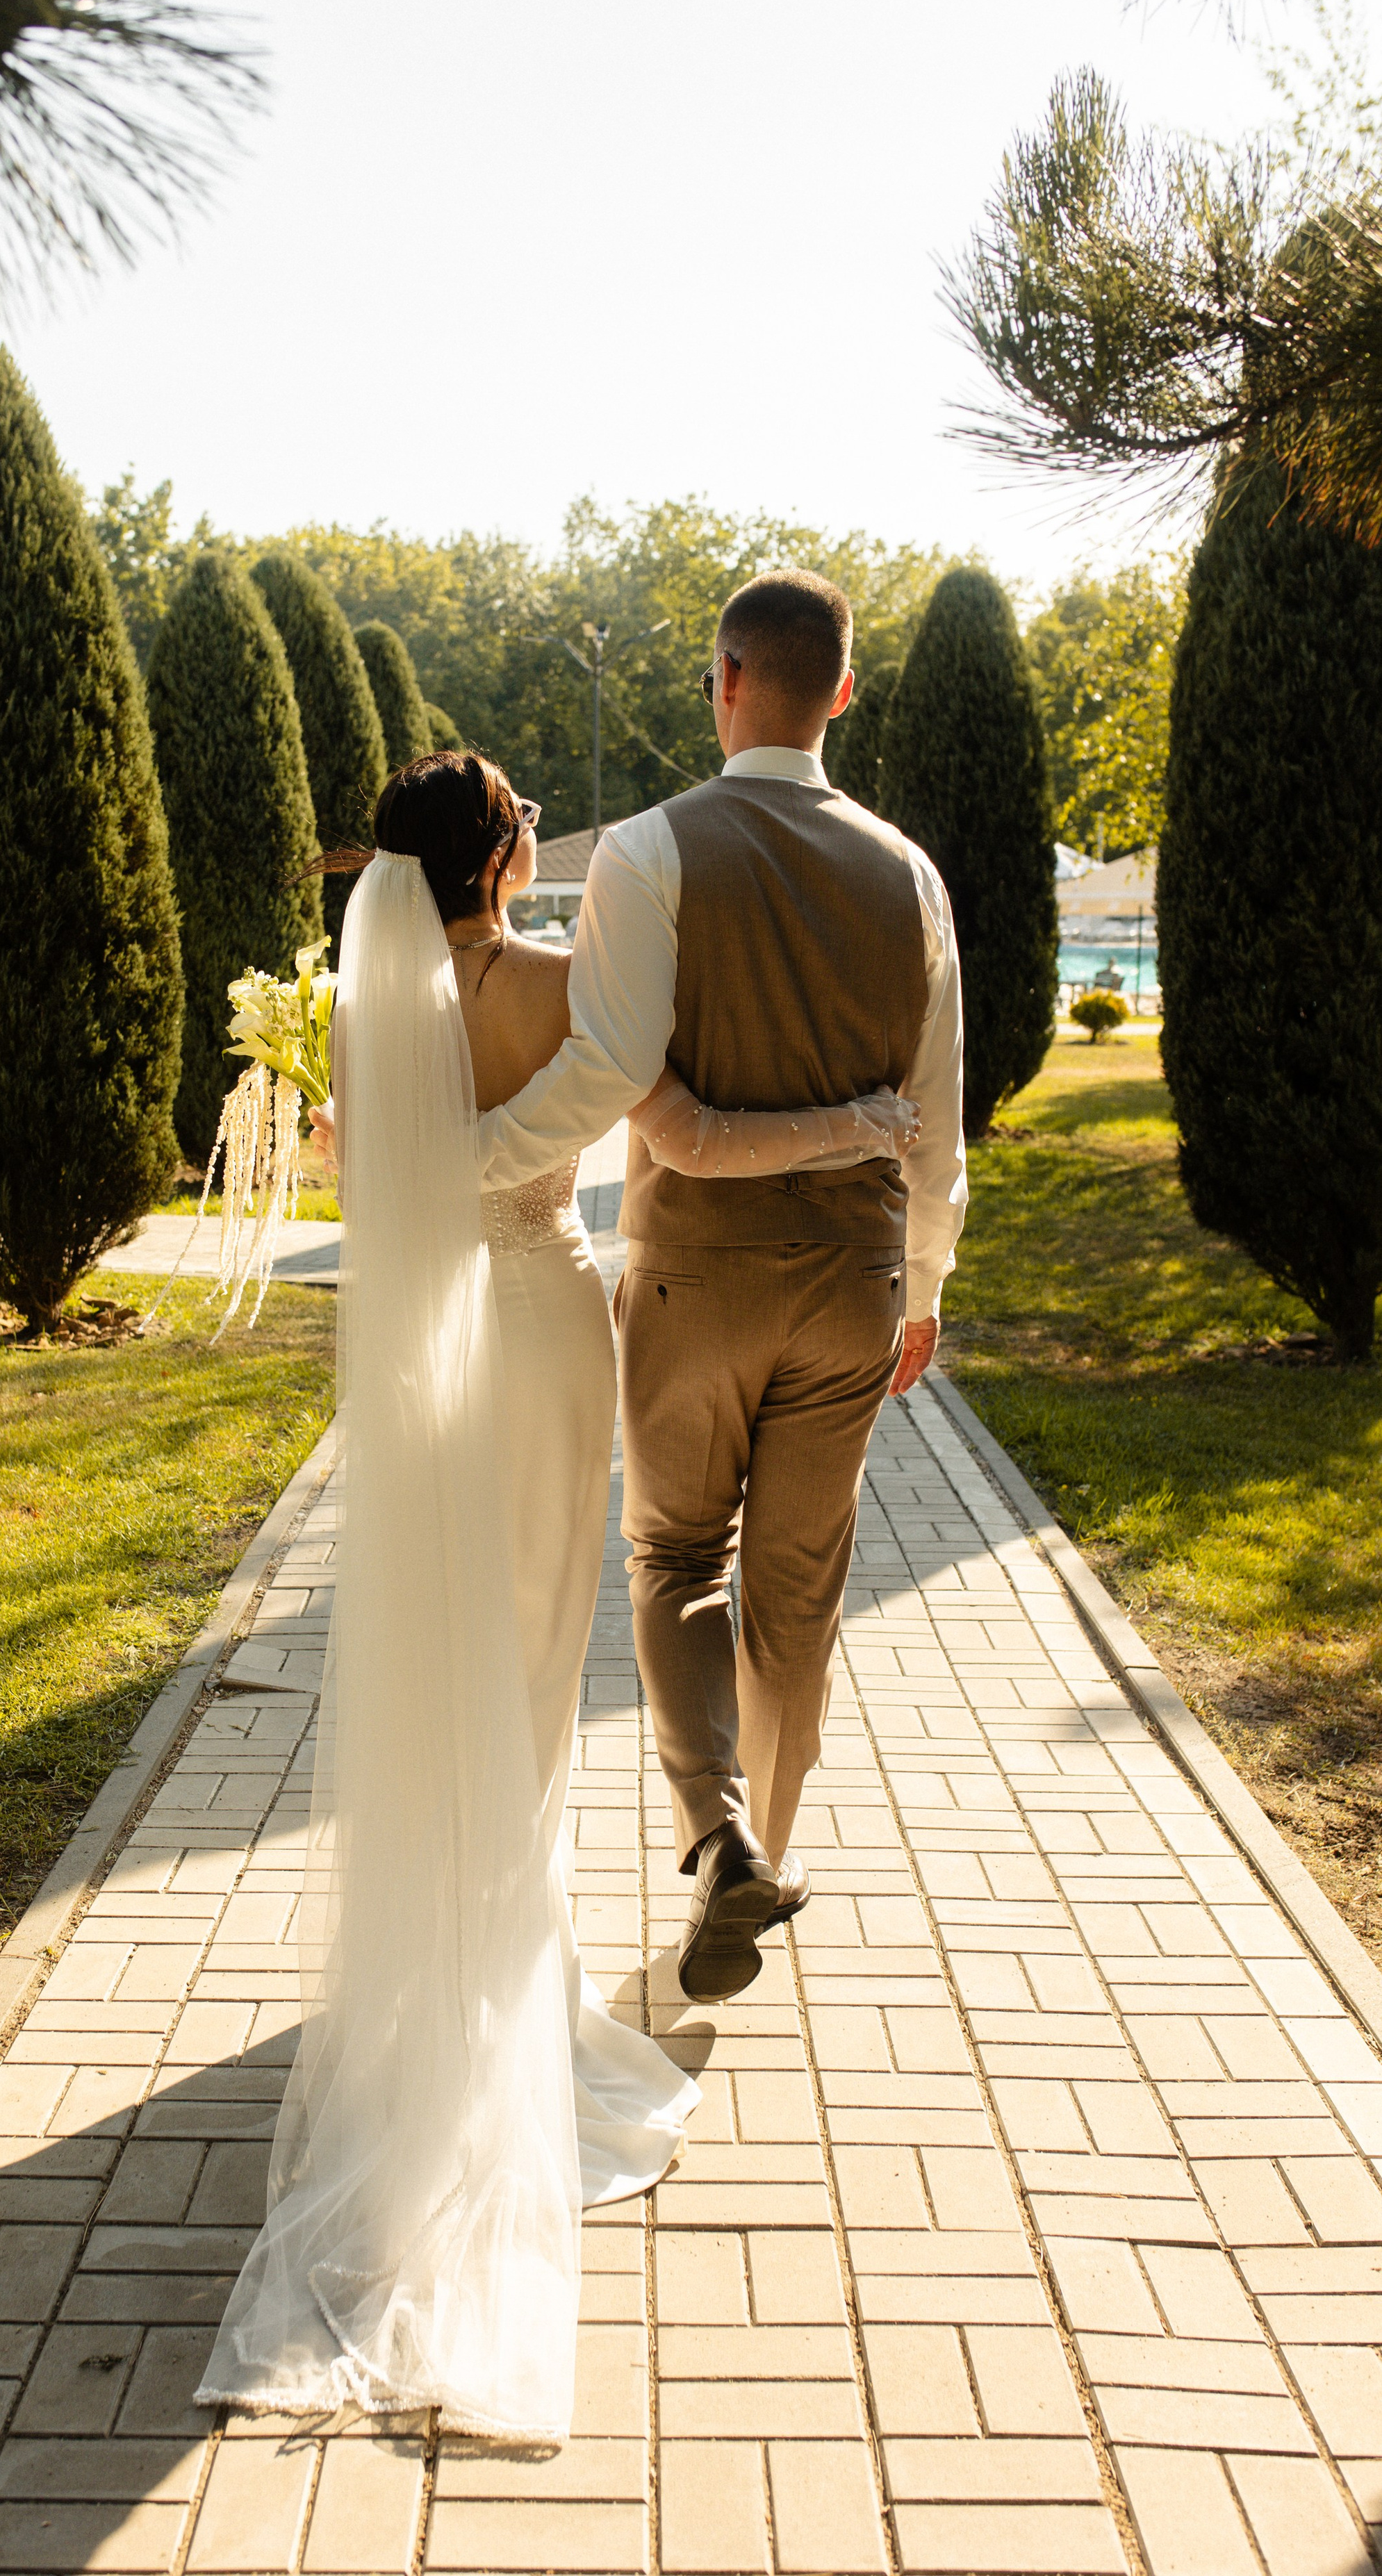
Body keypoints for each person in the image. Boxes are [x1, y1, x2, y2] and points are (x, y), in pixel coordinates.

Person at [198, 750, 921, 2443]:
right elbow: (624, 1083)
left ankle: (444, 1985)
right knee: (530, 1658)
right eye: (525, 817)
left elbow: (359, 1173)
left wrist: (413, 1146)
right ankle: (500, 2015)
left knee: (443, 1645)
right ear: (507, 850)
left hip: (419, 1362)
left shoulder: (365, 1004)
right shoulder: (549, 980)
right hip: (535, 1333)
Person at [479, 570, 967, 2007]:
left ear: (723, 679)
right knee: (798, 1594)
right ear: (844, 694)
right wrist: (924, 1281)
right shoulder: (911, 873)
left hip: (694, 1278)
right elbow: (933, 1113)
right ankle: (769, 1841)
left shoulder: (646, 851)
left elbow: (613, 1076)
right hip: (855, 1282)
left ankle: (719, 1836)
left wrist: (452, 1161)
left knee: (677, 1559)